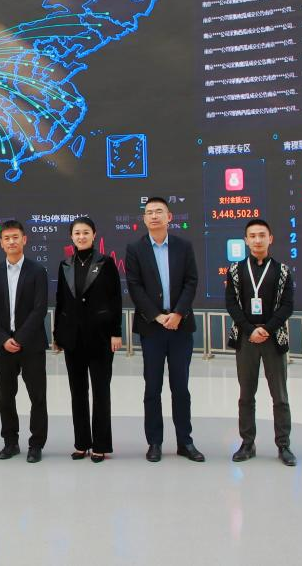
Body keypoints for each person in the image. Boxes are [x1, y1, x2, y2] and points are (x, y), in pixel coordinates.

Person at [124, 197, 203, 463]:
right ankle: (154, 442)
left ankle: (185, 442)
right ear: (144, 219)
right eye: (149, 212)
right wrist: (157, 316)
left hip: (180, 326)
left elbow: (191, 281)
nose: (154, 216)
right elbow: (135, 286)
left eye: (159, 211)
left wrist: (178, 313)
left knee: (181, 388)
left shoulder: (184, 246)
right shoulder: (135, 249)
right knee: (152, 388)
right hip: (152, 328)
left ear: (169, 217)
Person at [225, 218, 297, 467]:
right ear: (246, 240)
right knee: (246, 394)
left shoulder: (283, 271)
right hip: (246, 338)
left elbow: (287, 306)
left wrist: (266, 329)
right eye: (252, 236)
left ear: (270, 239)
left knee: (280, 395)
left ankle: (284, 445)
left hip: (273, 338)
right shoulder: (235, 270)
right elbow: (231, 304)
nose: (257, 240)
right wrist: (250, 329)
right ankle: (247, 443)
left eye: (262, 235)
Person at [53, 216, 123, 462]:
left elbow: (115, 299)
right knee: (77, 392)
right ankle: (82, 443)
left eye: (85, 232)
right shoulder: (65, 265)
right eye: (77, 233)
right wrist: (57, 334)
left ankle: (101, 444)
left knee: (101, 391)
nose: (81, 237)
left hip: (101, 337)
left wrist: (116, 332)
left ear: (94, 235)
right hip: (73, 338)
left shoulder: (106, 263)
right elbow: (61, 301)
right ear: (71, 237)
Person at [0, 219, 49, 463]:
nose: (11, 241)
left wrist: (20, 338)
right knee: (6, 397)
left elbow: (40, 308)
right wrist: (3, 339)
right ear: (1, 243)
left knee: (37, 397)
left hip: (31, 344)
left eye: (15, 237)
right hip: (4, 346)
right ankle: (10, 442)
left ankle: (36, 444)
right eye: (6, 238)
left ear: (24, 239)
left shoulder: (37, 271)